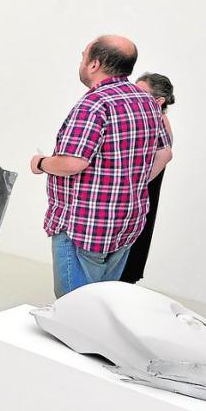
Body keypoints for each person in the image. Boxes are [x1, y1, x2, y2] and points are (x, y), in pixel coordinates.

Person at [30, 36, 171, 298]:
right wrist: (133, 182)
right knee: (103, 304)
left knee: (75, 308)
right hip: (126, 222)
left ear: (94, 64)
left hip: (85, 225)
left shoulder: (95, 104)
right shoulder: (147, 102)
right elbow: (164, 153)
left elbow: (74, 162)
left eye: (83, 56)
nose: (82, 62)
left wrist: (41, 163)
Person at [120, 72, 175, 284]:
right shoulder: (149, 118)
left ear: (159, 101)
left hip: (141, 192)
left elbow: (164, 155)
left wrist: (135, 185)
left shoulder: (158, 121)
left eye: (139, 92)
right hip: (138, 190)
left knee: (133, 240)